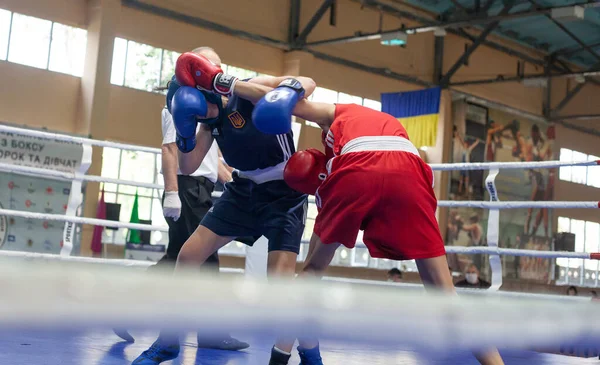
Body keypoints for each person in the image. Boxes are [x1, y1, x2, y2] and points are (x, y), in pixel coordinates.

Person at [247, 82, 505, 365]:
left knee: (311, 273)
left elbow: (285, 100)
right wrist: (230, 83)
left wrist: (226, 84)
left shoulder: (335, 134)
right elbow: (286, 99)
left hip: (358, 170)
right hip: (410, 171)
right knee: (446, 293)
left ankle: (279, 358)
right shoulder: (351, 116)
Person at [132, 48, 316, 365]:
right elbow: (188, 166)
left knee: (280, 284)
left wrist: (229, 84)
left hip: (284, 192)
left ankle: (306, 353)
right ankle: (168, 342)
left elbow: (307, 82)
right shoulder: (209, 123)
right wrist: (185, 133)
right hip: (243, 190)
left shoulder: (248, 89)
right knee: (188, 255)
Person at [115, 105, 249, 350]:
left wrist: (239, 185)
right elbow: (169, 149)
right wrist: (172, 193)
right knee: (204, 256)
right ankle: (211, 332)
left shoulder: (209, 112)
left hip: (200, 190)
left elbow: (212, 162)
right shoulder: (180, 104)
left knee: (177, 257)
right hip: (187, 189)